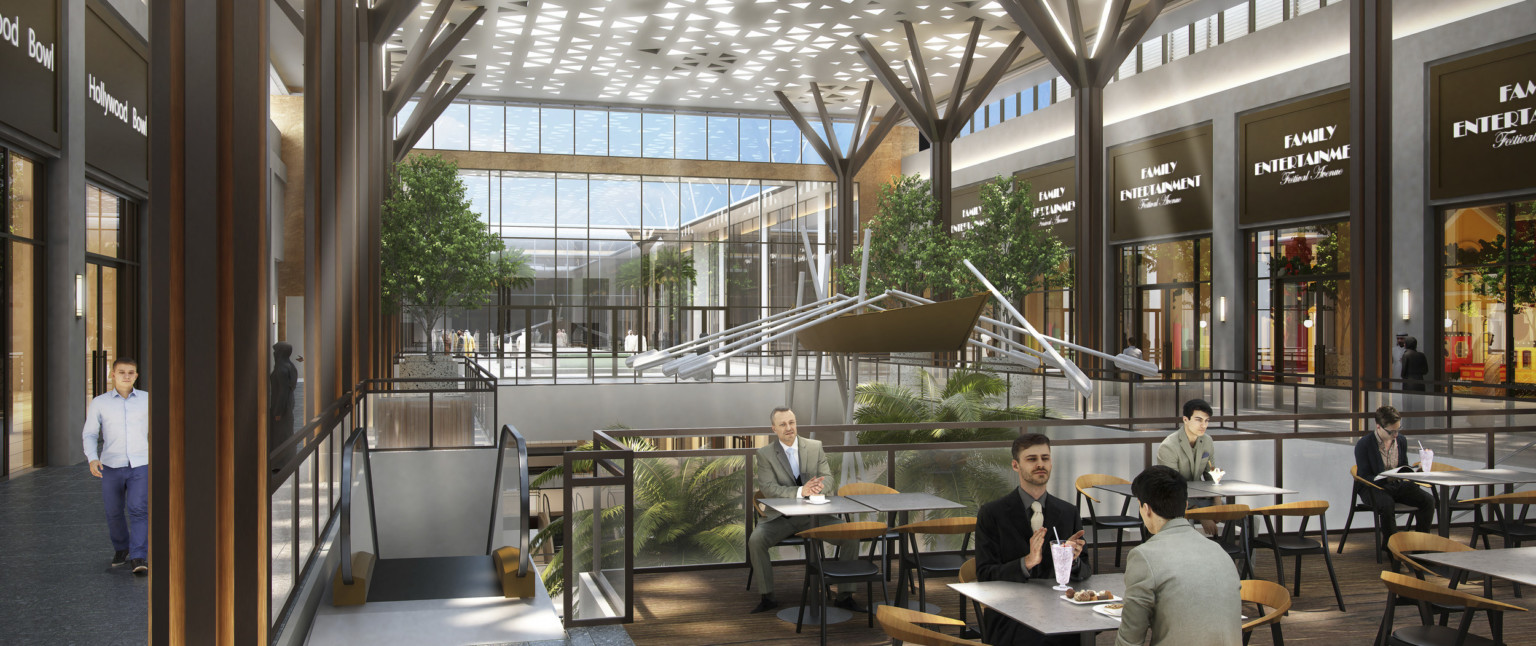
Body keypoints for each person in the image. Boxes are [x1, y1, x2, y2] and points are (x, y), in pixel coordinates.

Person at [975, 433, 1089, 645]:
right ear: (1015, 466)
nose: (1040, 465)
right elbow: (984, 575)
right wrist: (1025, 563)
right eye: (1032, 459)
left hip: (1062, 612)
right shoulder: (992, 514)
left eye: (1045, 458)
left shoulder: (1069, 512)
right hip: (1011, 616)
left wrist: (1072, 560)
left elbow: (1087, 571)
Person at [746, 407, 863, 614]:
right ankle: (768, 597)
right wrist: (801, 491)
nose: (789, 428)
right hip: (781, 518)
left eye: (792, 422)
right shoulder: (764, 454)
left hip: (815, 515)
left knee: (851, 535)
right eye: (782, 424)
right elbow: (768, 489)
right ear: (774, 428)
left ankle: (845, 596)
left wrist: (819, 487)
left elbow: (828, 477)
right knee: (756, 541)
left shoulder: (815, 446)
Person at [1115, 465, 1242, 646]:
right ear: (1186, 505)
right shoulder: (1219, 552)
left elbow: (1130, 641)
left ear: (1146, 509)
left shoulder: (1144, 556)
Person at [83, 357, 150, 575]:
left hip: (140, 464)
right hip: (110, 465)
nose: (126, 376)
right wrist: (93, 457)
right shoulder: (99, 402)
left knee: (138, 509)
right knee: (113, 511)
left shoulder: (147, 400)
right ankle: (122, 548)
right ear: (113, 375)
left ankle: (139, 555)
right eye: (122, 372)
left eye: (131, 372)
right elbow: (90, 433)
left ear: (136, 376)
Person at [1354, 405, 1434, 539]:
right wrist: (1386, 479)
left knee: (1428, 500)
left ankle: (1421, 544)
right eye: (1391, 432)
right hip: (1373, 488)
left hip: (1396, 485)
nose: (1395, 435)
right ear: (1378, 426)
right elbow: (1365, 477)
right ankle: (1392, 547)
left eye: (1398, 430)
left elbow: (1403, 465)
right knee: (1386, 504)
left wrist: (1417, 470)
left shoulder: (1400, 440)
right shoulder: (1364, 444)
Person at [1156, 399, 1222, 533]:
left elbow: (1212, 475)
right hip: (1176, 502)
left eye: (1206, 421)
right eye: (1198, 420)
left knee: (1245, 518)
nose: (1203, 425)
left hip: (1202, 499)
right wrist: (1199, 514)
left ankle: (1228, 552)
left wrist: (1217, 501)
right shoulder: (1168, 447)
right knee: (1187, 527)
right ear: (1185, 419)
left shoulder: (1207, 441)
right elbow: (1172, 488)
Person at [268, 342, 299, 454]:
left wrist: (277, 412)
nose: (274, 354)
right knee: (286, 433)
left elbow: (282, 392)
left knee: (280, 436)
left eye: (276, 352)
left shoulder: (281, 369)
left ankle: (281, 463)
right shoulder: (291, 366)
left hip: (281, 408)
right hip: (288, 405)